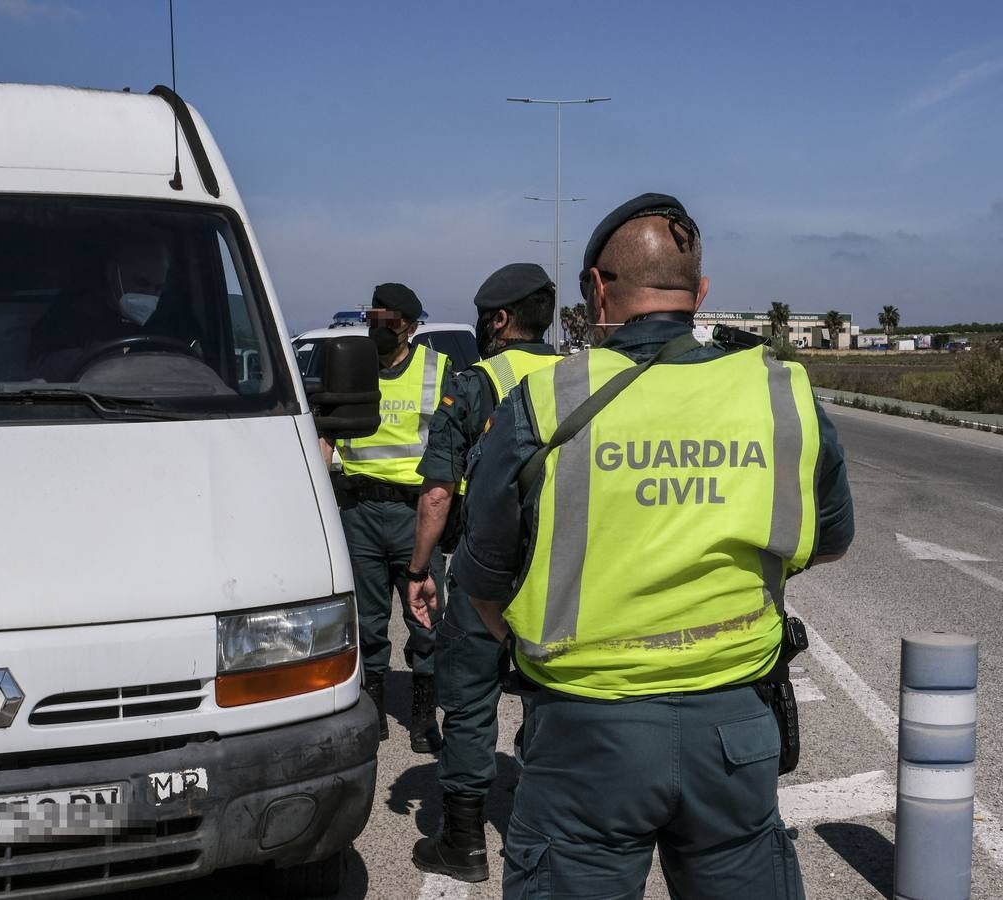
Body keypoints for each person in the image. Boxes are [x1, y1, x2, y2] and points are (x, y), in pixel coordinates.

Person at [454, 193, 854, 899]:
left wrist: (527, 650)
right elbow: (828, 543)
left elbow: (483, 580)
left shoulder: (545, 401)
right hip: (734, 735)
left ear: (599, 291)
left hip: (585, 738)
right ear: (699, 293)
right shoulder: (780, 391)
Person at [406, 263, 562, 883]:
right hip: (562, 568)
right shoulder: (582, 379)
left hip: (483, 568)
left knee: (470, 700)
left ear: (498, 320)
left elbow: (439, 493)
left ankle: (465, 842)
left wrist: (421, 568)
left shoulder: (474, 385)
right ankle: (543, 829)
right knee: (550, 694)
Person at [332, 283, 450, 752]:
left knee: (425, 616)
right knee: (367, 619)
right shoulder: (349, 369)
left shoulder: (437, 369)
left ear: (410, 326)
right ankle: (374, 708)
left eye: (391, 321)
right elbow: (326, 433)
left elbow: (450, 441)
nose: (380, 328)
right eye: (375, 317)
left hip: (414, 511)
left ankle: (423, 714)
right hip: (358, 508)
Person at [29, 232, 172, 380]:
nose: (150, 295)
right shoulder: (69, 317)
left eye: (158, 288)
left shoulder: (168, 319)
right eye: (142, 283)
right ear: (112, 272)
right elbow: (47, 370)